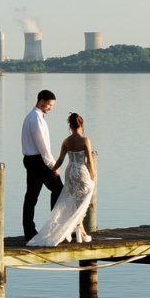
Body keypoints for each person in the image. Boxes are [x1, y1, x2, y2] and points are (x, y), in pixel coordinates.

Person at [29, 113, 97, 246]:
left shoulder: (66, 141)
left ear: (70, 126)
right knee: (84, 198)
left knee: (72, 199)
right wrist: (92, 175)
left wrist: (53, 169)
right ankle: (80, 229)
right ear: (81, 125)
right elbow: (89, 160)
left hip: (69, 171)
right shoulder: (85, 140)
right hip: (81, 170)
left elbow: (60, 159)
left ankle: (80, 228)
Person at [20, 90, 62, 241]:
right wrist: (53, 166)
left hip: (30, 160)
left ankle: (29, 230)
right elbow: (42, 146)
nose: (51, 108)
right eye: (50, 105)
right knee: (59, 190)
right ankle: (54, 227)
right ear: (42, 101)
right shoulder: (36, 118)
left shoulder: (32, 117)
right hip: (39, 161)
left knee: (31, 196)